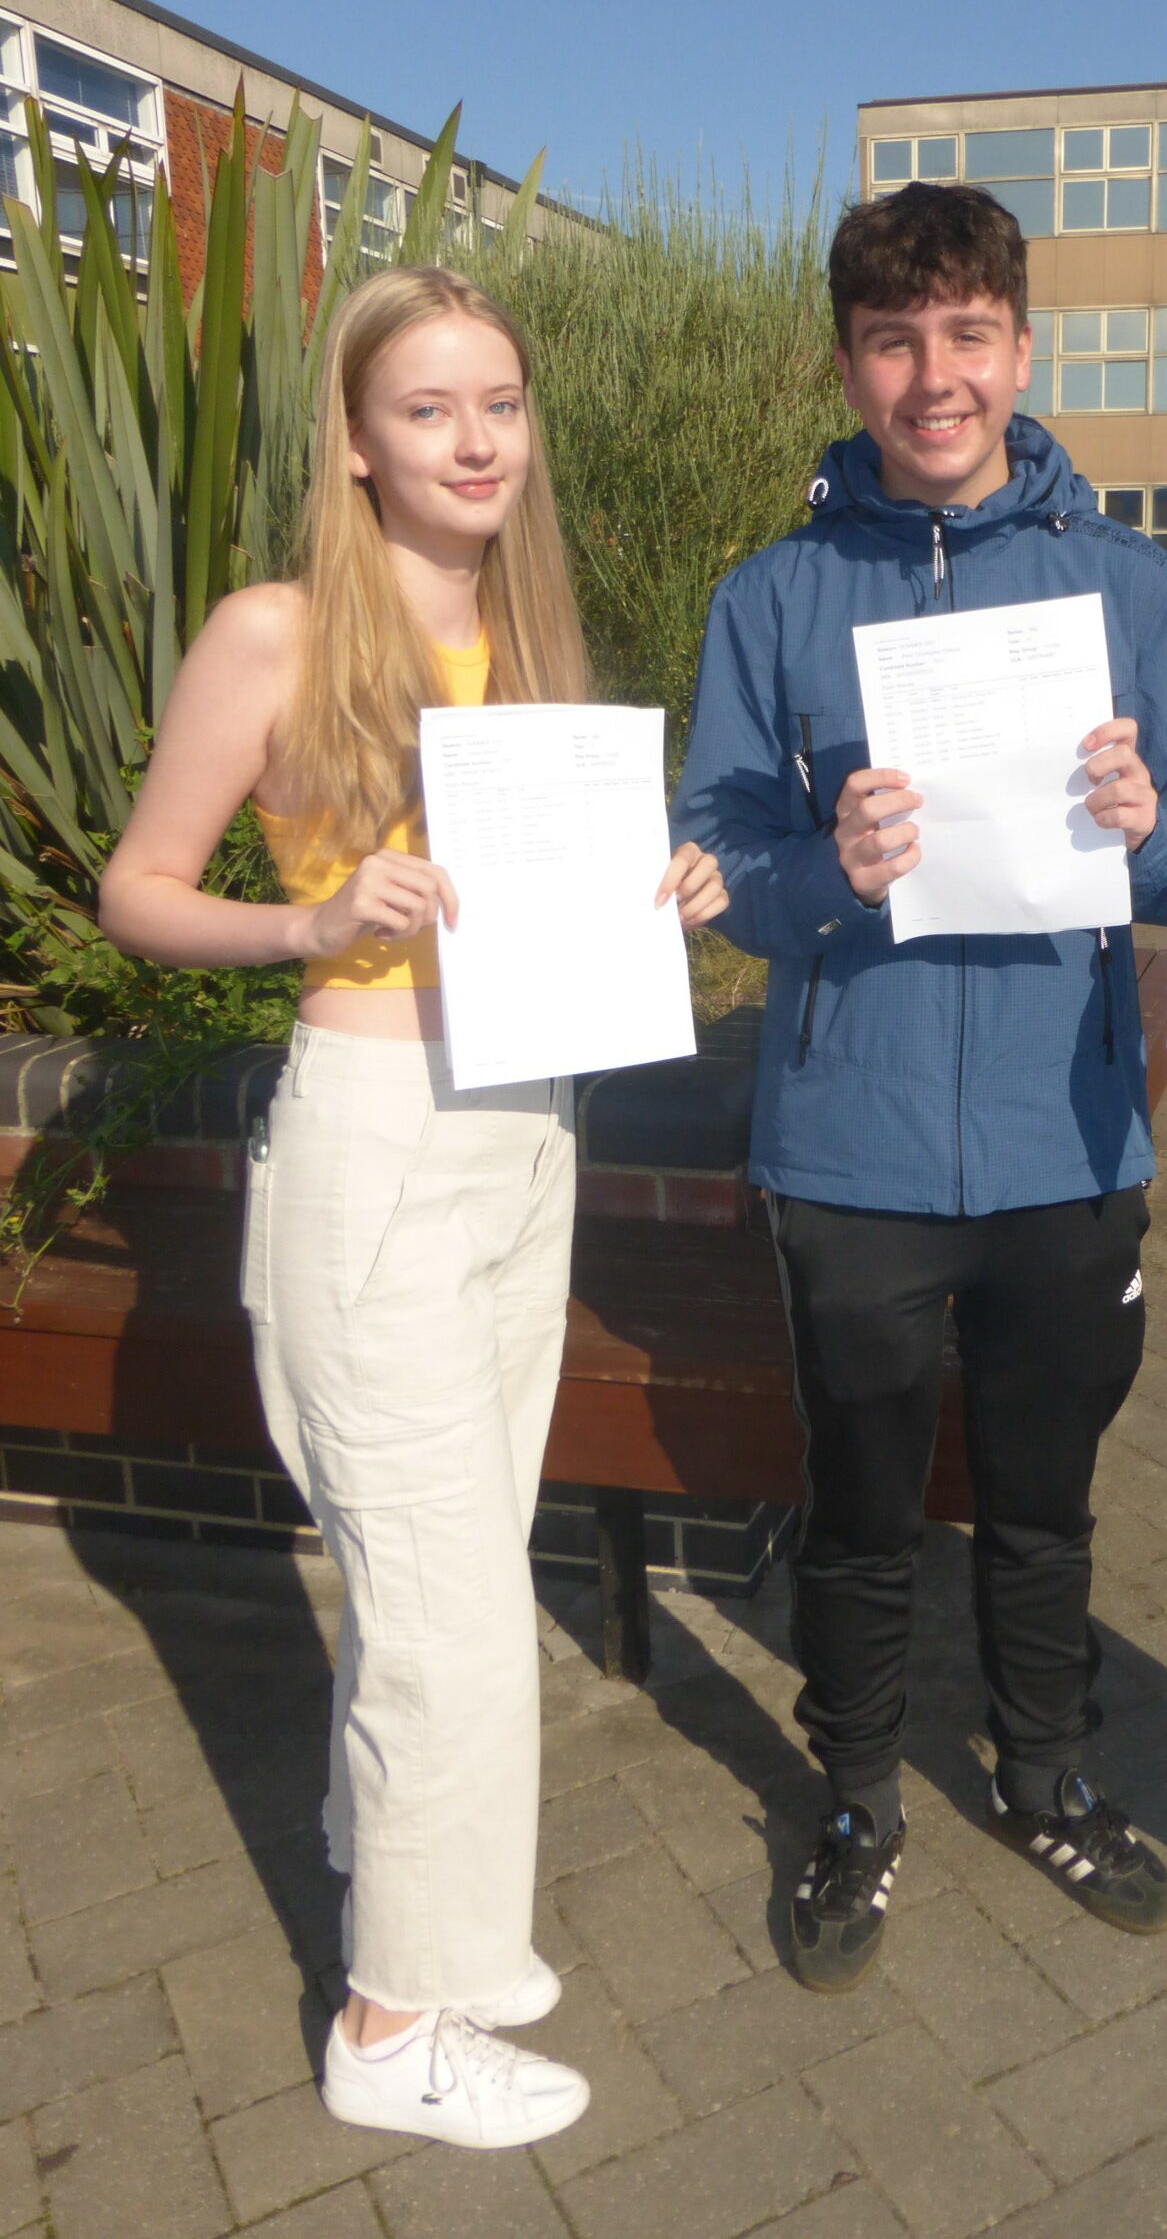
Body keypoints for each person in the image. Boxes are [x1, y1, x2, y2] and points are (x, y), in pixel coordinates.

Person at [98, 264, 727, 2147]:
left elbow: (557, 905)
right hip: (374, 1126)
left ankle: (412, 1898)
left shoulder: (532, 646)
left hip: (528, 1134)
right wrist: (306, 917)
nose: (476, 440)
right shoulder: (278, 630)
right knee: (450, 1611)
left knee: (441, 1577)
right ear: (359, 444)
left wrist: (666, 887)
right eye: (433, 409)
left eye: (503, 405)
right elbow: (143, 887)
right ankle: (396, 2020)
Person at [671, 180, 1167, 1991]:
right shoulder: (772, 596)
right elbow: (719, 855)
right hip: (854, 1141)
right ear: (848, 360)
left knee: (1048, 1494)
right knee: (859, 1498)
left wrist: (1158, 840)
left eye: (967, 333)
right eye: (896, 339)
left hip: (1069, 1140)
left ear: (1020, 344)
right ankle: (851, 1800)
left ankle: (1048, 1769)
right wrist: (825, 861)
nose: (935, 375)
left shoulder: (1135, 587)